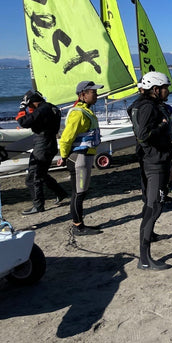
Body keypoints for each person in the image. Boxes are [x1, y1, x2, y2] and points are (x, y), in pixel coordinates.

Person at [128, 71, 172, 270]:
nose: (168, 91)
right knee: (154, 206)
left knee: (151, 202)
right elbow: (143, 135)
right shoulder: (147, 107)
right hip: (154, 162)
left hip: (154, 159)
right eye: (165, 88)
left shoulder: (147, 104)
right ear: (155, 89)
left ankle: (151, 235)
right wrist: (163, 125)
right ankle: (144, 259)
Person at [57, 81, 103, 236]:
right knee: (78, 193)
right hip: (79, 159)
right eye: (93, 92)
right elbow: (66, 138)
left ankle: (79, 223)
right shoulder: (78, 113)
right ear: (83, 94)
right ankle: (78, 226)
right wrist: (63, 156)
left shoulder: (86, 110)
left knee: (81, 192)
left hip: (85, 158)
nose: (96, 95)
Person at [17, 90, 68, 215]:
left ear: (33, 102)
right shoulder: (52, 107)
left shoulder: (41, 110)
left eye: (29, 105)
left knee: (33, 177)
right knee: (42, 174)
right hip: (50, 143)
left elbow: (23, 122)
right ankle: (61, 193)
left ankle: (38, 206)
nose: (29, 108)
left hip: (43, 145)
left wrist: (22, 108)